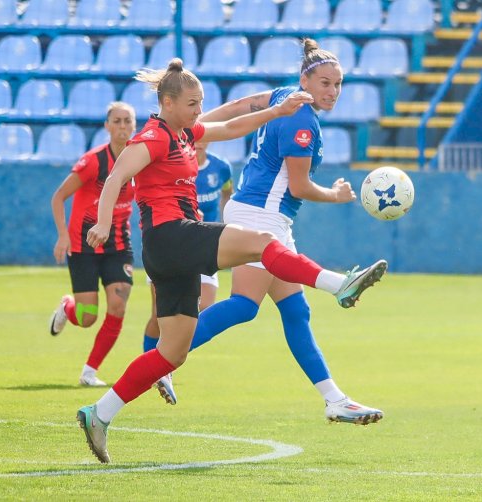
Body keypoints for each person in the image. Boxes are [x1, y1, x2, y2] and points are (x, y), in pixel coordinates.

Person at [77, 58, 385, 464]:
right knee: (262, 243)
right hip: (172, 235)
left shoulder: (182, 132)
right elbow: (116, 176)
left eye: (201, 102)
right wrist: (100, 224)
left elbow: (229, 127)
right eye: (192, 103)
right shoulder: (154, 136)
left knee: (173, 352)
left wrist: (275, 111)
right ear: (167, 102)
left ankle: (99, 414)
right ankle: (337, 283)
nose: (198, 110)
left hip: (170, 249)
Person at [154, 38, 386, 426]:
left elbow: (240, 108)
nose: (333, 91)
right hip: (262, 216)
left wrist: (196, 126)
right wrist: (338, 194)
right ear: (305, 80)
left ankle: (334, 399)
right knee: (244, 305)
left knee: (296, 311)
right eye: (325, 83)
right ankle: (160, 360)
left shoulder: (284, 96)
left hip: (259, 212)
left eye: (338, 84)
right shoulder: (303, 122)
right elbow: (298, 187)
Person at [48, 102, 137, 387]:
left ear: (134, 126)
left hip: (119, 245)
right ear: (107, 126)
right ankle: (67, 307)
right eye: (117, 121)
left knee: (118, 305)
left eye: (128, 121)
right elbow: (59, 197)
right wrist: (63, 235)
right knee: (87, 318)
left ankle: (89, 372)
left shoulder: (142, 159)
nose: (123, 127)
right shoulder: (93, 162)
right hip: (84, 245)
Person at [142, 141, 234, 403]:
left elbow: (228, 191)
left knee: (204, 305)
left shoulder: (221, 167)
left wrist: (225, 220)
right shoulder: (176, 163)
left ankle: (162, 364)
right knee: (159, 315)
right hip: (171, 243)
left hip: (204, 243)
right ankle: (153, 366)